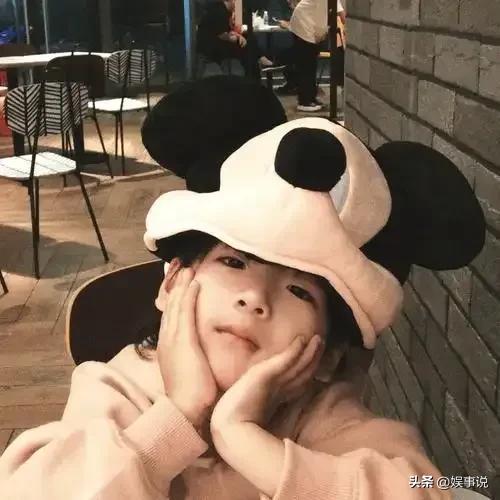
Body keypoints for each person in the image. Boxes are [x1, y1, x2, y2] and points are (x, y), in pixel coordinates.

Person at [0, 77, 486, 500]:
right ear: (172, 281)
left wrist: (245, 439)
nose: (255, 298)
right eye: (233, 262)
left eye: (300, 292)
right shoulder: (116, 389)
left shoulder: (322, 414)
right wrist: (180, 416)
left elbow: (434, 489)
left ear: (329, 356)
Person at [197, 0, 275, 79]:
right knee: (248, 48)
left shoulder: (236, 8)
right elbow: (223, 34)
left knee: (249, 43)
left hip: (225, 44)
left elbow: (236, 29)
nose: (239, 3)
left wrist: (237, 34)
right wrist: (237, 36)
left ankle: (259, 60)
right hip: (214, 47)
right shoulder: (218, 10)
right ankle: (260, 59)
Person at [290, 0, 345, 111]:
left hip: (307, 23)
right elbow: (342, 15)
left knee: (311, 65)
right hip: (304, 25)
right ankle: (304, 102)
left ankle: (311, 98)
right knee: (306, 66)